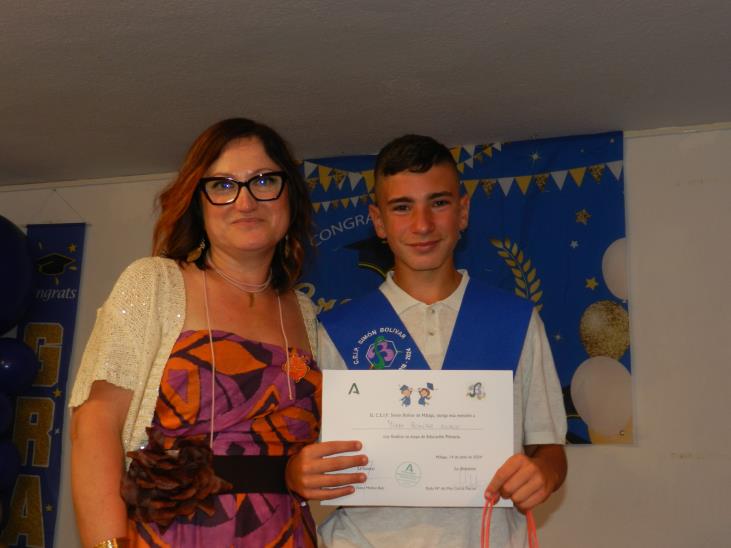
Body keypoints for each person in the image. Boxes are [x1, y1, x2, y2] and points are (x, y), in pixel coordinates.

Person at [286, 134, 567, 547]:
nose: (422, 225)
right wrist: (295, 473)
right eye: (402, 207)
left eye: (438, 203)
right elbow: (301, 451)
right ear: (378, 221)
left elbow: (550, 449)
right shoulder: (335, 330)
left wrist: (544, 473)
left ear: (463, 211)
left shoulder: (516, 320)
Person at [69, 118, 321, 547]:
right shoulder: (154, 283)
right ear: (197, 202)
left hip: (286, 534)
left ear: (290, 196)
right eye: (222, 185)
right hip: (173, 534)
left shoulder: (305, 311)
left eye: (264, 181)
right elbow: (95, 425)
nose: (245, 201)